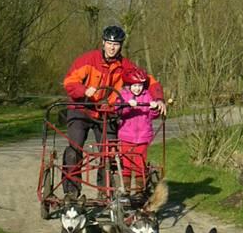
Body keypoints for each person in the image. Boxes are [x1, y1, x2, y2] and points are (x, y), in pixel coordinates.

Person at [62, 25, 166, 196]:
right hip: (81, 109)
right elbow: (69, 82)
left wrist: (159, 98)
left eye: (116, 44)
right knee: (74, 149)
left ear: (121, 46)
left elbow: (148, 80)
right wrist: (83, 90)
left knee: (109, 153)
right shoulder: (88, 59)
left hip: (106, 113)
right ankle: (71, 193)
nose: (112, 47)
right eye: (109, 43)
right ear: (103, 43)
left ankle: (105, 192)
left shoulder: (126, 66)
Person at [116, 66, 161, 197]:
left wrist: (154, 108)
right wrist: (128, 106)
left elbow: (153, 116)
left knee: (140, 164)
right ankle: (125, 190)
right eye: (134, 86)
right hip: (126, 136)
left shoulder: (147, 96)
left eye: (140, 86)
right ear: (128, 85)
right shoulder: (123, 95)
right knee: (126, 164)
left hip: (143, 136)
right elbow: (118, 111)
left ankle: (139, 191)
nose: (137, 88)